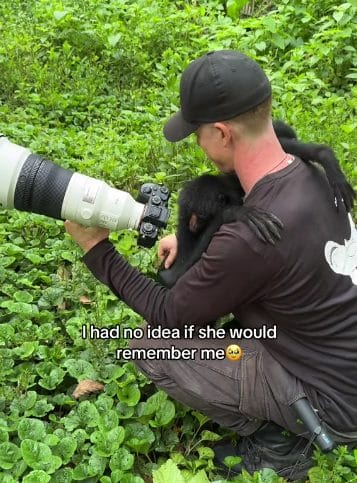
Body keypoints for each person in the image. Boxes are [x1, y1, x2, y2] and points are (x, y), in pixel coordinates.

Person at [65, 50, 357, 480]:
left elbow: (169, 314)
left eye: (197, 134)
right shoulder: (310, 172)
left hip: (334, 402)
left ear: (221, 133)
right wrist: (191, 241)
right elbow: (266, 248)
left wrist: (97, 249)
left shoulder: (251, 239)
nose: (198, 145)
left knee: (151, 346)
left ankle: (289, 439)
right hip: (339, 356)